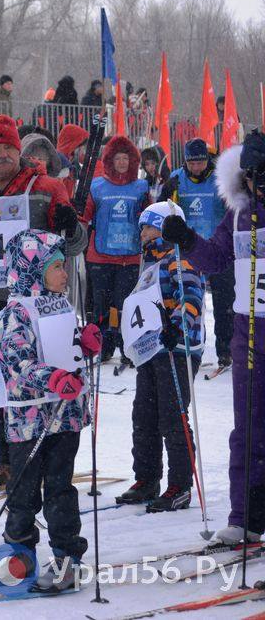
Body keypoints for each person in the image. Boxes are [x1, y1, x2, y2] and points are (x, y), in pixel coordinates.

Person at [0, 115, 87, 489]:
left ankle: (50, 455)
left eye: (8, 148)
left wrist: (69, 223)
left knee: (45, 378)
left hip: (40, 303)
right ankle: (10, 458)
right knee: (0, 382)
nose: (2, 155)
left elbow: (77, 243)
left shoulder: (47, 186)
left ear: (18, 151)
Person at [160, 133, 265, 545]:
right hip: (249, 336)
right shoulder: (239, 216)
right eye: (257, 179)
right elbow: (214, 259)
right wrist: (186, 239)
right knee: (248, 431)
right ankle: (246, 518)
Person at [0, 229, 96, 593]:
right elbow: (18, 363)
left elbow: (69, 351)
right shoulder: (15, 314)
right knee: (23, 491)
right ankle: (21, 553)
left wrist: (87, 344)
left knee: (61, 489)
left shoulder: (61, 304)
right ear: (33, 270)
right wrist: (52, 379)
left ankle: (68, 558)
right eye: (56, 267)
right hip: (29, 419)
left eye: (64, 266)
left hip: (65, 417)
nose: (65, 274)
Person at [116, 202, 204, 512]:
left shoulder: (179, 259)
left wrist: (177, 327)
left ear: (165, 227)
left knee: (172, 416)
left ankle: (180, 485)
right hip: (150, 352)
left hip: (176, 350)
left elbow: (191, 297)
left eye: (148, 226)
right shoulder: (149, 265)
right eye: (140, 227)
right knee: (144, 415)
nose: (142, 232)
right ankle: (147, 478)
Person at [158, 138, 232, 370]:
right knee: (191, 302)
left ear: (207, 160)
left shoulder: (219, 179)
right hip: (189, 250)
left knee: (224, 304)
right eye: (192, 163)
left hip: (218, 250)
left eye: (200, 162)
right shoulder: (177, 181)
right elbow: (162, 209)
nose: (196, 167)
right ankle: (191, 347)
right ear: (186, 161)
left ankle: (226, 351)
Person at [81, 135, 150, 364]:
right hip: (100, 257)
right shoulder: (97, 186)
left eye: (126, 158)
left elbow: (148, 215)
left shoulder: (141, 187)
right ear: (110, 160)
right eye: (118, 158)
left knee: (125, 305)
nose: (122, 163)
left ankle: (127, 347)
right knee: (101, 306)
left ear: (133, 161)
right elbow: (85, 215)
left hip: (128, 258)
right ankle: (103, 346)